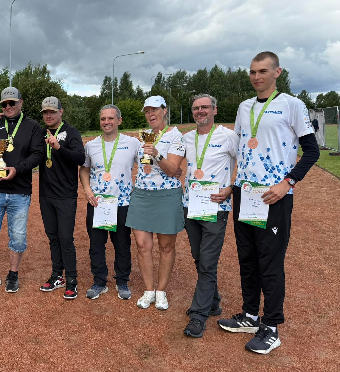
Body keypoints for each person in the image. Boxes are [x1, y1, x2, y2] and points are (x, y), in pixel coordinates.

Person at [218, 51, 319, 354]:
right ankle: (250, 316)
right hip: (245, 193)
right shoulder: (244, 107)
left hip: (274, 195)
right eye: (252, 72)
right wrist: (232, 183)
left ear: (277, 72)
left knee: (270, 261)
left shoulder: (292, 105)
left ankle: (271, 326)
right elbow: (241, 149)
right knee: (247, 257)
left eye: (262, 71)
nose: (256, 77)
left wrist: (287, 183)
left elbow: (312, 151)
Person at [0, 86, 45, 293]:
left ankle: (13, 274)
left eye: (12, 103)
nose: (8, 107)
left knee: (18, 238)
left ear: (20, 102)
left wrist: (18, 169)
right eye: (4, 104)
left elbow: (38, 154)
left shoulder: (32, 126)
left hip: (20, 192)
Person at [182, 94, 238, 338]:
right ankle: (213, 302)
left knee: (207, 260)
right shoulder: (186, 138)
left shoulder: (228, 136)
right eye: (196, 108)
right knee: (198, 257)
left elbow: (247, 164)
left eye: (205, 107)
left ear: (215, 110)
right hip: (191, 205)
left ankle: (199, 315)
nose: (200, 111)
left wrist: (231, 188)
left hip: (216, 207)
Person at [126, 95, 186, 310]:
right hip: (142, 195)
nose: (151, 114)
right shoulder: (145, 136)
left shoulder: (176, 136)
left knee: (166, 247)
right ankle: (149, 290)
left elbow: (172, 169)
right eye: (147, 111)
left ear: (164, 110)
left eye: (154, 110)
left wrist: (158, 155)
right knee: (143, 245)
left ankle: (161, 291)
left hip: (167, 196)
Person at [80, 105, 140, 300]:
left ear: (119, 121)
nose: (106, 122)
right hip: (97, 203)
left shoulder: (133, 143)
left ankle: (122, 280)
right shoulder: (91, 145)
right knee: (96, 244)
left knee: (122, 243)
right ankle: (99, 281)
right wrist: (88, 191)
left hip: (122, 203)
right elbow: (84, 170)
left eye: (111, 118)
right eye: (103, 119)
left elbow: (147, 164)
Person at [37, 97, 85, 299]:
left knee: (65, 238)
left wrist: (58, 148)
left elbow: (80, 158)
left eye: (52, 112)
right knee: (53, 237)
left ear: (61, 112)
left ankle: (72, 279)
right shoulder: (40, 133)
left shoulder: (71, 132)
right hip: (46, 194)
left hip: (65, 195)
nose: (48, 115)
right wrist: (1, 117)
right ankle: (57, 275)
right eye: (45, 113)